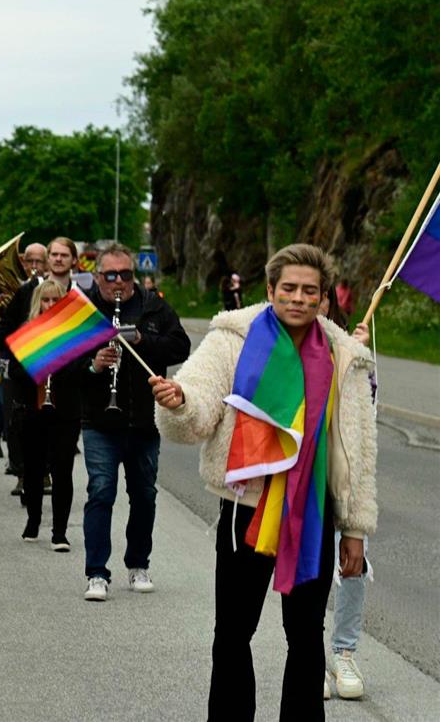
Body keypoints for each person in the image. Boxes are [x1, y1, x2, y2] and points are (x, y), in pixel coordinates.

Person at [151, 243, 376, 720]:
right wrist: (179, 401)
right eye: (288, 288)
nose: (298, 298)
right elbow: (201, 400)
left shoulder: (342, 355)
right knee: (233, 633)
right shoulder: (232, 339)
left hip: (314, 512)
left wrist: (354, 527)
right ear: (270, 290)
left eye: (309, 291)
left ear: (323, 300)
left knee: (306, 635)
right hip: (245, 509)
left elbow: (356, 447)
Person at [79, 243, 190, 601]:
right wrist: (94, 365)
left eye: (125, 275)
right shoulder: (84, 311)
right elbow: (64, 365)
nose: (118, 282)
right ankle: (97, 572)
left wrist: (144, 340)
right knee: (101, 491)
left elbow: (180, 347)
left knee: (144, 495)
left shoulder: (153, 305)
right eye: (110, 275)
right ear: (97, 276)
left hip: (144, 419)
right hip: (99, 419)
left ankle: (138, 563)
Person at [320, 285, 373, 701]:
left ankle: (345, 651)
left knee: (353, 564)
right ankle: (310, 654)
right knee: (307, 569)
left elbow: (367, 418)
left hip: (347, 480)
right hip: (300, 480)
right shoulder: (280, 346)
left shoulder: (353, 349)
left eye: (317, 293)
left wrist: (358, 363)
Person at [11, 279, 81, 549]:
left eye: (56, 300)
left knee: (63, 470)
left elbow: (79, 371)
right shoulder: (27, 332)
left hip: (65, 411)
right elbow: (15, 373)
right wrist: (37, 363)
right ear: (37, 303)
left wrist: (60, 363)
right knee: (33, 469)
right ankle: (33, 519)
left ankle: (60, 531)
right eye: (46, 300)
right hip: (33, 409)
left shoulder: (73, 334)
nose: (51, 305)